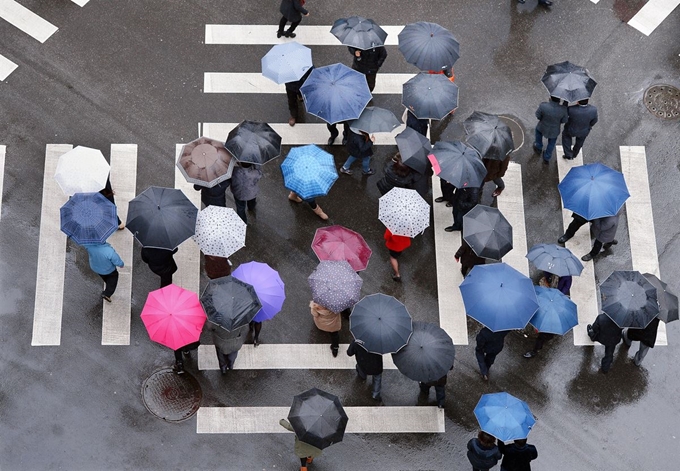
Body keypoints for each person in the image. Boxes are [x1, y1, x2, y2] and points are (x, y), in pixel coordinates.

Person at [533, 96, 568, 164]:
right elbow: (564, 120)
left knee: (538, 134)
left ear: (551, 98)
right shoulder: (563, 109)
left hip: (542, 126)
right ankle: (547, 157)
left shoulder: (543, 106)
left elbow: (538, 115)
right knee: (551, 143)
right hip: (554, 130)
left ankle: (538, 147)